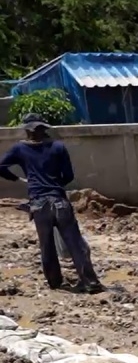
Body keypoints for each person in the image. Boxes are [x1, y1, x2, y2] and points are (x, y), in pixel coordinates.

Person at [0, 113, 103, 293]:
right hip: (59, 201)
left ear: (27, 130)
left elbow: (1, 166)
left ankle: (55, 283)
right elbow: (69, 176)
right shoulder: (58, 147)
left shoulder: (19, 149)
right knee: (75, 244)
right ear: (44, 128)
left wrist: (19, 179)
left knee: (47, 246)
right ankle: (91, 282)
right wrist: (55, 185)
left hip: (39, 203)